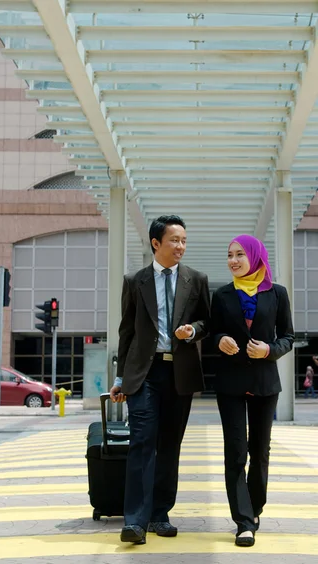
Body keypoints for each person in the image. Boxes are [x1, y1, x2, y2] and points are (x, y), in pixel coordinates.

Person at [109, 215, 210, 545]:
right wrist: (120, 378)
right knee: (142, 442)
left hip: (179, 373)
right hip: (144, 373)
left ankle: (160, 514)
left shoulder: (196, 280)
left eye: (183, 241)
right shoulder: (134, 281)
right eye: (174, 240)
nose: (180, 246)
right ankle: (135, 521)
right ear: (156, 243)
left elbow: (207, 321)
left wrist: (193, 330)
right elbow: (126, 332)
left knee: (169, 446)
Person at [210, 234, 294, 547]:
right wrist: (219, 340)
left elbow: (288, 336)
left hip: (264, 382)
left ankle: (255, 507)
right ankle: (243, 522)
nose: (233, 261)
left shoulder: (277, 293)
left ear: (255, 257)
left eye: (239, 255)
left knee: (260, 451)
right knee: (235, 452)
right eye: (229, 255)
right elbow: (212, 333)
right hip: (230, 383)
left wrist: (269, 350)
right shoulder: (221, 295)